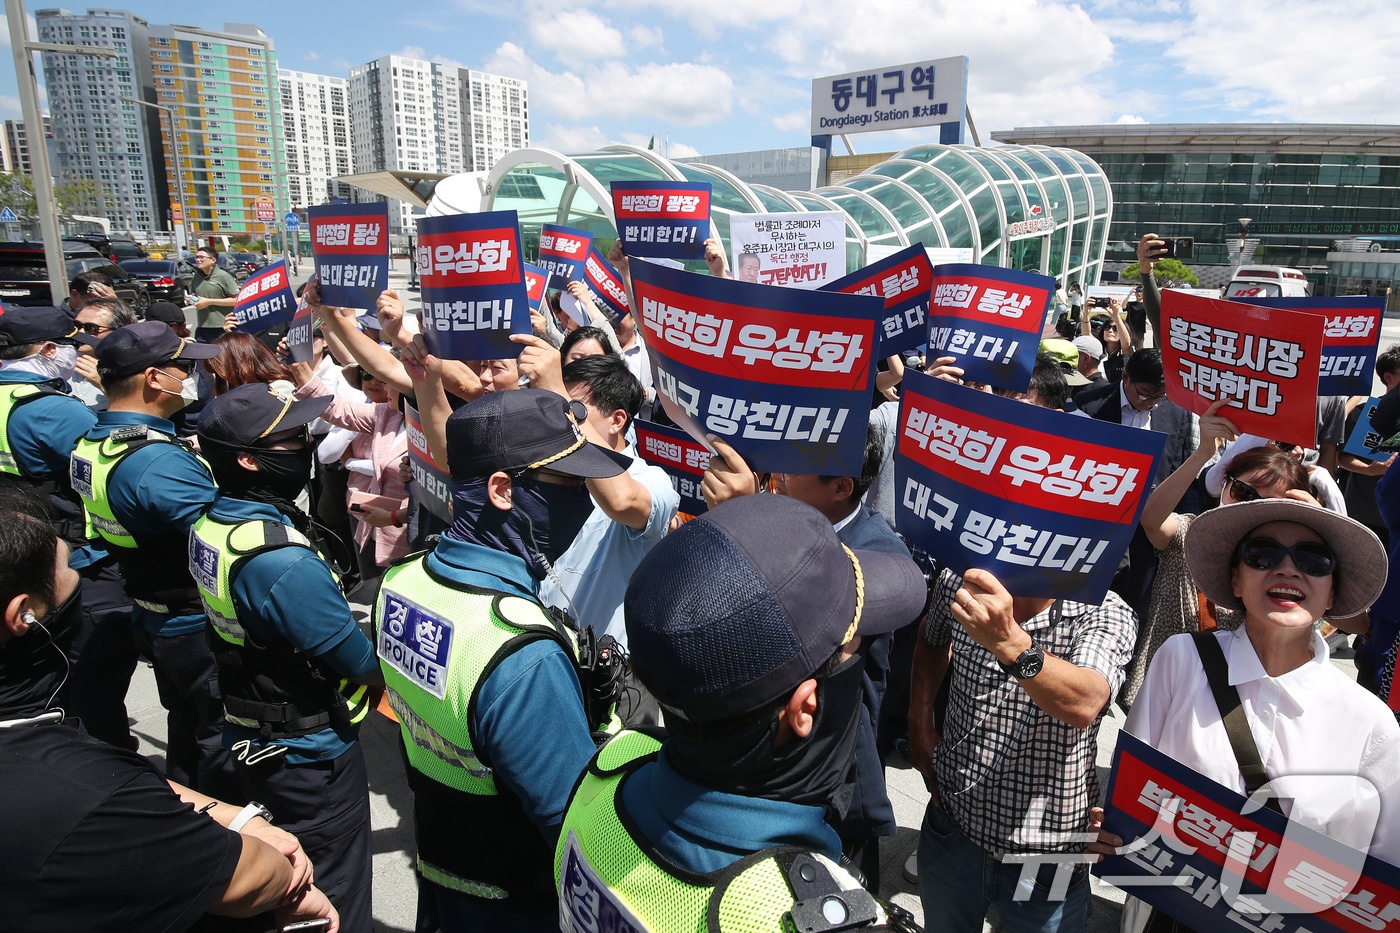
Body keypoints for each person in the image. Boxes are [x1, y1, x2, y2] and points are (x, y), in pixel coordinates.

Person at [555, 493, 928, 931]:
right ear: (804, 708)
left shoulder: (605, 771)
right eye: (852, 645)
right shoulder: (812, 916)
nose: (856, 653)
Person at [0, 485, 341, 932]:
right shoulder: (74, 795)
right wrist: (284, 870)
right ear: (23, 614)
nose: (77, 577)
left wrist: (238, 816)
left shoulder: (45, 742)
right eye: (67, 566)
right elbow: (248, 878)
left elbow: (122, 787)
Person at [375, 388, 627, 931]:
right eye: (567, 483)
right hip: (515, 901)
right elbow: (576, 823)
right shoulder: (522, 654)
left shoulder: (401, 580)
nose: (585, 496)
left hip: (442, 868)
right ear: (502, 490)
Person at [1092, 498, 1400, 930]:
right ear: (1235, 579)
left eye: (1313, 559)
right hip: (1168, 917)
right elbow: (1133, 796)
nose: (1287, 569)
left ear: (1333, 592)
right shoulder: (1180, 659)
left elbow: (1384, 876)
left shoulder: (1372, 723)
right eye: (1262, 554)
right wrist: (1110, 830)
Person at [192, 382, 383, 931]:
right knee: (332, 890)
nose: (307, 445)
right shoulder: (280, 563)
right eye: (293, 439)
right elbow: (361, 663)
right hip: (309, 751)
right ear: (250, 460)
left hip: (256, 727)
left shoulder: (213, 523)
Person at [697, 425, 919, 887]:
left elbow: (821, 607)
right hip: (761, 760)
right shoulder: (781, 512)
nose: (776, 473)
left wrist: (744, 519)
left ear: (842, 487)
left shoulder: (882, 553)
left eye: (795, 466)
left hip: (835, 776)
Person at [909, 561, 1136, 933]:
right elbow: (931, 639)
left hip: (1050, 853)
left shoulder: (1105, 610)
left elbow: (1084, 702)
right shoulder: (961, 582)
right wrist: (919, 721)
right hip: (953, 824)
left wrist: (1009, 642)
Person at [69, 320, 231, 794]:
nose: (191, 376)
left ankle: (185, 804)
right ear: (155, 378)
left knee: (184, 723)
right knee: (220, 737)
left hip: (152, 612)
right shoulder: (156, 461)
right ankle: (230, 838)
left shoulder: (98, 440)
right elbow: (222, 539)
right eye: (183, 367)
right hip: (193, 622)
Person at [1124, 403, 1315, 709]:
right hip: (1163, 691)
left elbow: (1352, 620)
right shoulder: (1191, 534)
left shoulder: (1285, 567)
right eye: (1243, 492)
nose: (1249, 507)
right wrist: (1202, 454)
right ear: (1225, 484)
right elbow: (1151, 518)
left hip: (1231, 704)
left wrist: (1317, 528)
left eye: (1268, 504)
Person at [538, 354, 679, 724]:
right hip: (548, 667)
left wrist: (553, 390)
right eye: (556, 407)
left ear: (617, 420)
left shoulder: (652, 481)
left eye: (573, 410)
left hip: (613, 684)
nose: (561, 419)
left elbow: (622, 501)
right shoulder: (548, 473)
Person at [191, 246, 241, 342]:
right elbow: (194, 294)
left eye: (202, 257)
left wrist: (209, 302)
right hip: (203, 327)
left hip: (222, 327)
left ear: (213, 260)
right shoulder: (197, 276)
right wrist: (192, 299)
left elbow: (237, 300)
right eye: (196, 257)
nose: (198, 260)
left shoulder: (223, 276)